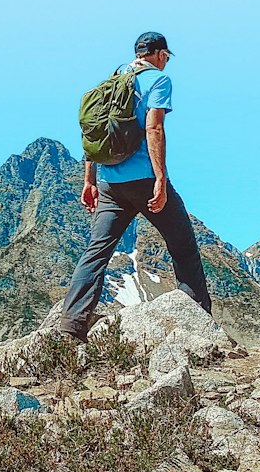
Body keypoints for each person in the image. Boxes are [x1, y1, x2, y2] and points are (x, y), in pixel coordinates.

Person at [59, 30, 211, 341]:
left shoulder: (113, 80)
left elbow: (94, 132)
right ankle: (200, 324)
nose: (166, 62)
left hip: (110, 184)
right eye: (166, 57)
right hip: (143, 179)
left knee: (95, 253)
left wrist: (89, 179)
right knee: (183, 245)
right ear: (159, 54)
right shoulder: (158, 80)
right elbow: (154, 127)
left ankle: (70, 326)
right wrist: (160, 179)